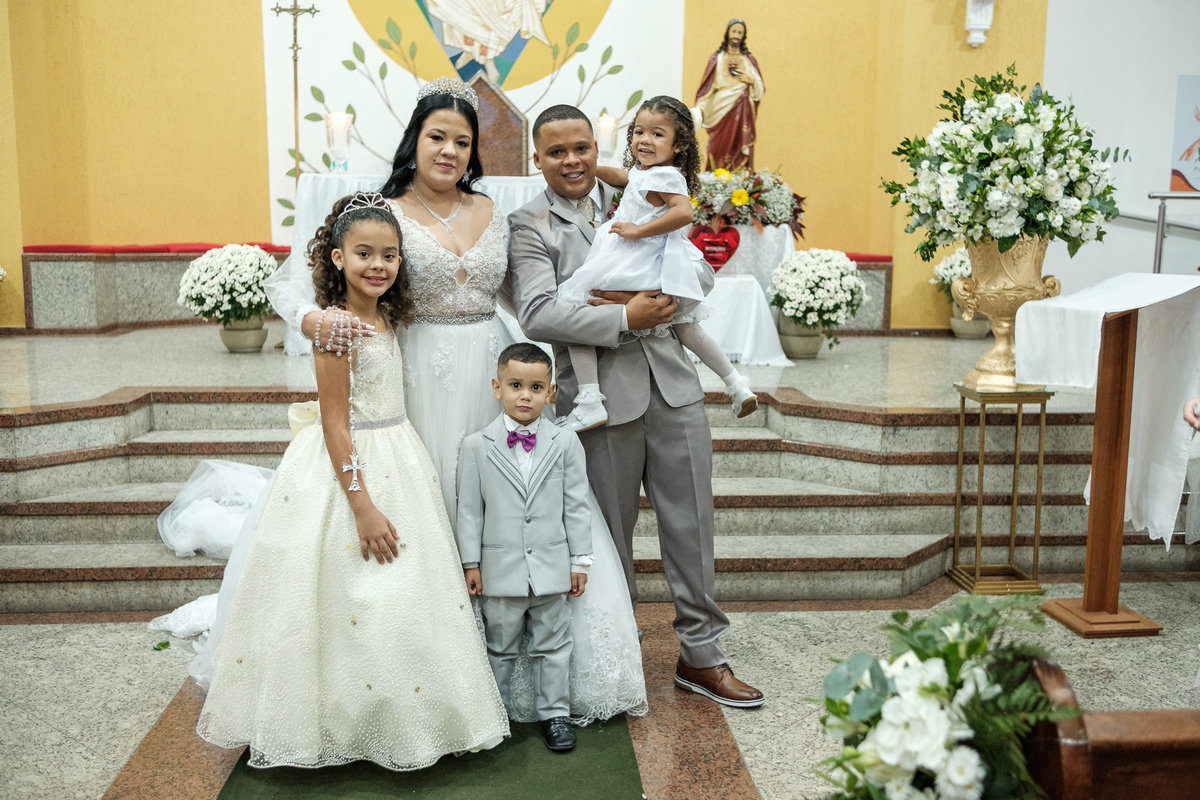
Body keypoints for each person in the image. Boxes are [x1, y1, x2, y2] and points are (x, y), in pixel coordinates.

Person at [260, 76, 647, 726]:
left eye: (462, 142)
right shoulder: (380, 210)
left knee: (516, 502)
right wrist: (313, 320)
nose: (449, 151)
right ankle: (432, 673)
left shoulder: (494, 210)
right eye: (438, 136)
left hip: (491, 372)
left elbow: (523, 297)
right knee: (435, 503)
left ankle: (533, 662)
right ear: (415, 139)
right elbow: (295, 282)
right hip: (417, 377)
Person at [196, 192, 509, 770]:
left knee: (402, 597)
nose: (378, 265)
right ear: (338, 258)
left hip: (401, 454)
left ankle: (395, 714)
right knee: (358, 592)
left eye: (389, 255)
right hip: (353, 466)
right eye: (364, 253)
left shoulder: (387, 317)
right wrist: (362, 506)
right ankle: (339, 723)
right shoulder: (335, 329)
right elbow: (335, 425)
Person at [509, 104, 765, 708]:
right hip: (598, 396)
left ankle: (702, 654)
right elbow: (537, 313)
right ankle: (616, 659)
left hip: (674, 383)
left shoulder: (645, 192)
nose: (572, 161)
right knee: (608, 536)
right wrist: (625, 315)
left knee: (693, 524)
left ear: (598, 148)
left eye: (581, 148)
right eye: (556, 152)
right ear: (537, 159)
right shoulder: (529, 224)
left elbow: (696, 273)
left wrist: (654, 296)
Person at [553, 95, 758, 432]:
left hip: (642, 256)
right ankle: (736, 384)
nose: (644, 140)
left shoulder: (666, 177)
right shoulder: (648, 172)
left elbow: (684, 212)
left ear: (679, 145)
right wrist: (589, 168)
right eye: (638, 132)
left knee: (576, 308)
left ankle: (589, 399)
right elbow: (624, 177)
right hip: (653, 260)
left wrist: (638, 231)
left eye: (657, 134)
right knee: (687, 327)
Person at [457, 343, 592, 752]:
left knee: (553, 645)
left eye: (535, 388)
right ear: (497, 387)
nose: (525, 396)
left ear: (551, 393)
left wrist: (580, 560)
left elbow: (576, 505)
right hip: (500, 570)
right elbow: (469, 511)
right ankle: (495, 715)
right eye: (516, 385)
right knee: (499, 646)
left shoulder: (565, 442)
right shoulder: (476, 445)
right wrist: (471, 562)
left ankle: (555, 714)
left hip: (552, 567)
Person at [694, 18, 764, 171]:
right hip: (719, 111)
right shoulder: (716, 59)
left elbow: (759, 90)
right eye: (734, 31)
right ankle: (715, 177)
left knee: (738, 148)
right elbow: (706, 89)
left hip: (742, 110)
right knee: (717, 147)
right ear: (727, 33)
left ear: (744, 36)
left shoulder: (749, 60)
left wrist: (752, 81)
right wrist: (700, 110)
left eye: (740, 33)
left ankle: (739, 178)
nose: (736, 36)